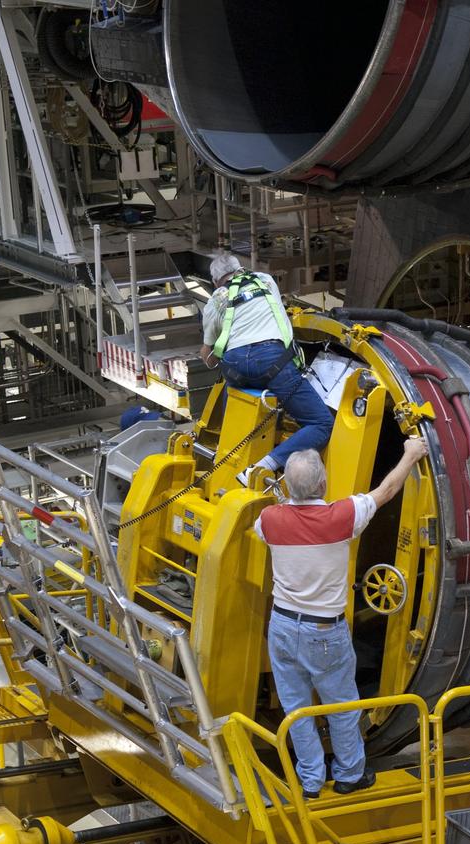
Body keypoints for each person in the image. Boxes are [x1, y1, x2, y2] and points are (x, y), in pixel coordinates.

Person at [253, 437, 429, 800]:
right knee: (342, 707)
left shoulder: (270, 520)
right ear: (322, 484)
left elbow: (259, 525)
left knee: (296, 710)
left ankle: (310, 780)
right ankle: (349, 774)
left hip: (283, 628)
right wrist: (411, 453)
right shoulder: (342, 516)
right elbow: (388, 489)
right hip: (323, 632)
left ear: (287, 486)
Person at [199, 253, 333, 486]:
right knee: (321, 423)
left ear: (215, 281)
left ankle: (226, 449)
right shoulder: (265, 280)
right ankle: (267, 464)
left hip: (235, 368)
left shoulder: (216, 300)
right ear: (241, 269)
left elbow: (208, 356)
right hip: (272, 362)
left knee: (233, 392)